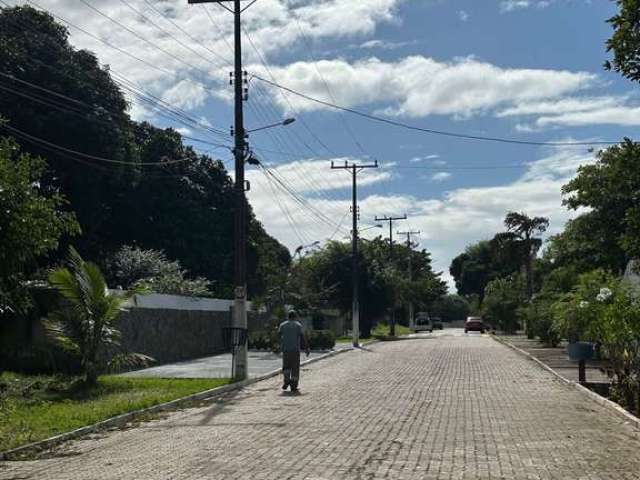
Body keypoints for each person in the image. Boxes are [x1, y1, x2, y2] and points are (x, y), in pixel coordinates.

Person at [278, 310, 310, 392]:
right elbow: (302, 337)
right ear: (295, 316)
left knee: (286, 367)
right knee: (295, 368)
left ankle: (286, 381)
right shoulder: (298, 325)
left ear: (288, 316)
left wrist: (277, 346)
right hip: (295, 350)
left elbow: (278, 335)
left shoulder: (282, 325)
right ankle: (293, 386)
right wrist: (306, 348)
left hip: (285, 350)